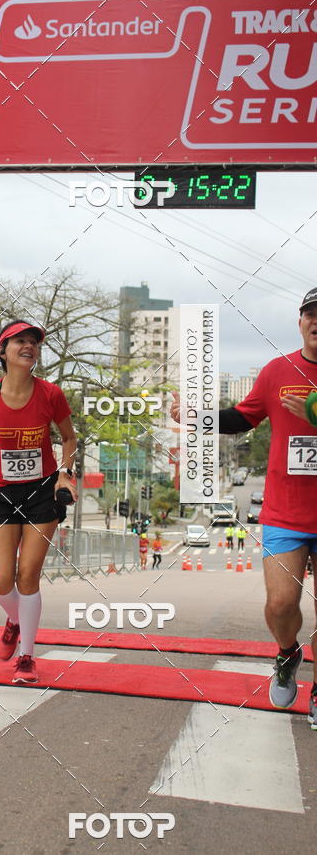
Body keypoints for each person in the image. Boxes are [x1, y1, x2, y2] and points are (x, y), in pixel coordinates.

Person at [172, 289, 317, 724]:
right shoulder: (278, 371)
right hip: (286, 513)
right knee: (280, 605)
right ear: (300, 322)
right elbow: (243, 417)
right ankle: (288, 653)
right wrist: (199, 416)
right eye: (311, 314)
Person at [0, 320, 77, 684]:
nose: (29, 346)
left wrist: (64, 474)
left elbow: (69, 439)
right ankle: (14, 620)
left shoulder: (51, 394)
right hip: (0, 493)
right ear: (3, 351)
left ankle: (27, 657)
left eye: (34, 342)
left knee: (27, 575)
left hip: (41, 492)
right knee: (1, 581)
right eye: (20, 341)